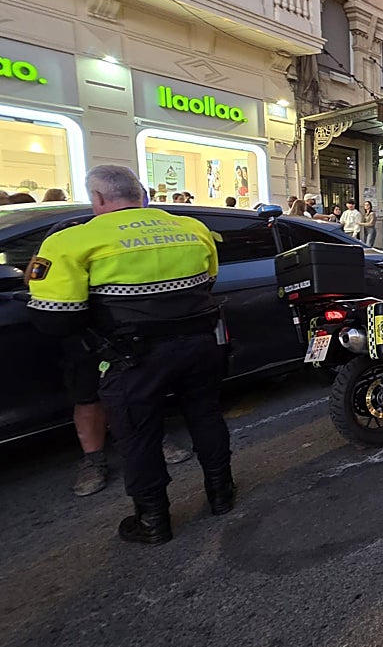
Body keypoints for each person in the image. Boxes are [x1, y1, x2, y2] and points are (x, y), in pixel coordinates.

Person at [26, 165, 234, 544]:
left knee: (138, 435)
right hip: (200, 346)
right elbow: (207, 282)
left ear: (99, 199)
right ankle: (222, 495)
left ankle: (153, 521)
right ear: (142, 195)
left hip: (131, 358)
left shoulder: (71, 241)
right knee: (206, 416)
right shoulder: (193, 229)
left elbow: (55, 320)